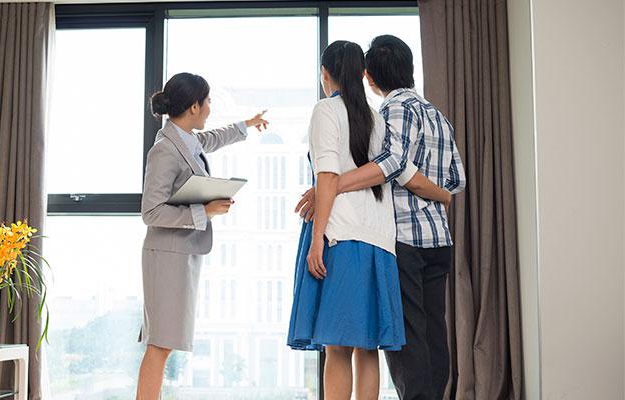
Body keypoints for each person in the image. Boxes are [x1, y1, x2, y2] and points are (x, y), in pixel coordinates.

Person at [296, 35, 467, 400]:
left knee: (393, 342)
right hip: (435, 239)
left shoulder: (387, 113)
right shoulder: (438, 116)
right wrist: (441, 196)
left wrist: (330, 184)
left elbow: (392, 165)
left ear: (370, 76)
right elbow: (456, 180)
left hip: (399, 237)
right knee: (422, 334)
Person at [287, 40, 407, 400]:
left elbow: (327, 176)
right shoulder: (378, 118)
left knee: (337, 345)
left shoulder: (326, 110)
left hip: (341, 237)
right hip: (379, 242)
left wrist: (317, 238)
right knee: (367, 345)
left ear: (326, 75)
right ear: (361, 73)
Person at [135, 72, 268, 400]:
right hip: (166, 256)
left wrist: (246, 125)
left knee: (164, 343)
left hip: (179, 255)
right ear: (193, 106)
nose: (210, 107)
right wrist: (204, 212)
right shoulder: (165, 150)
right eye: (207, 102)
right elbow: (150, 212)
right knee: (160, 345)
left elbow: (212, 140)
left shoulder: (185, 139)